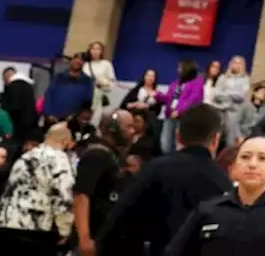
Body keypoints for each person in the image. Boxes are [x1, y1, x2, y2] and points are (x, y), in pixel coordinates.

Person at [98, 104, 231, 256]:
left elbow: (118, 223)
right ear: (215, 140)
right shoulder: (224, 185)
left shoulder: (155, 169)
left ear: (177, 135)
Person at [165, 135, 265, 256]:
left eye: (262, 158)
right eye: (245, 157)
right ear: (233, 168)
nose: (252, 164)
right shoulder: (207, 210)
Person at [0, 121, 76, 256]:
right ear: (65, 141)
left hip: (7, 225)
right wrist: (65, 228)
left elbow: (9, 191)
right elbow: (63, 195)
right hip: (36, 229)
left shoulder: (24, 157)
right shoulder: (59, 159)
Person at [71, 110, 134, 256]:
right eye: (128, 127)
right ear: (113, 129)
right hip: (92, 239)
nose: (133, 132)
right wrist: (84, 238)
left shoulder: (112, 156)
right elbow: (81, 195)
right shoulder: (96, 155)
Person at [157, 60, 205, 155]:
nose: (177, 69)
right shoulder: (176, 83)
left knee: (179, 145)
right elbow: (169, 98)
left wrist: (179, 111)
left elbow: (193, 100)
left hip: (184, 118)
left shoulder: (197, 83)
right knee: (165, 144)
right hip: (170, 116)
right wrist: (157, 95)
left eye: (180, 67)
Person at [43, 53, 95, 120]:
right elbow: (49, 95)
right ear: (71, 61)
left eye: (80, 60)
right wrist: (48, 114)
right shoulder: (59, 77)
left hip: (73, 120)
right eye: (75, 59)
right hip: (53, 118)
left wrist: (76, 116)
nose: (77, 61)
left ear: (83, 63)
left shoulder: (87, 81)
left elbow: (87, 102)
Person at [213, 56, 251, 147]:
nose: (236, 65)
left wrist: (226, 93)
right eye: (234, 62)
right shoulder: (223, 78)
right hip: (220, 111)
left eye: (239, 63)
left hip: (234, 113)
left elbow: (241, 96)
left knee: (230, 141)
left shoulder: (245, 79)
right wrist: (232, 95)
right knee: (215, 139)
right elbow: (217, 94)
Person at [83, 42, 117, 122]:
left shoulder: (106, 64)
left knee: (95, 120)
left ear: (101, 51)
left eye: (97, 49)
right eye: (93, 49)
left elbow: (113, 83)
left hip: (100, 98)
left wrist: (103, 84)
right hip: (86, 97)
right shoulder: (85, 65)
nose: (95, 51)